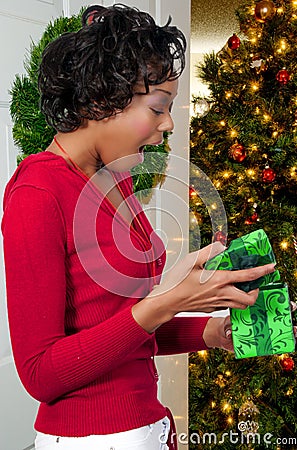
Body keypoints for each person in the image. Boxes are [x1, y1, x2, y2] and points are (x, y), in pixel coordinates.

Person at [2, 4, 277, 450]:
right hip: (92, 439)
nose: (168, 123)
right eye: (158, 108)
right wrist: (170, 299)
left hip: (146, 426)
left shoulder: (116, 179)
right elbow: (40, 373)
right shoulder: (37, 193)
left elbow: (118, 329)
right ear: (98, 102)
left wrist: (210, 331)